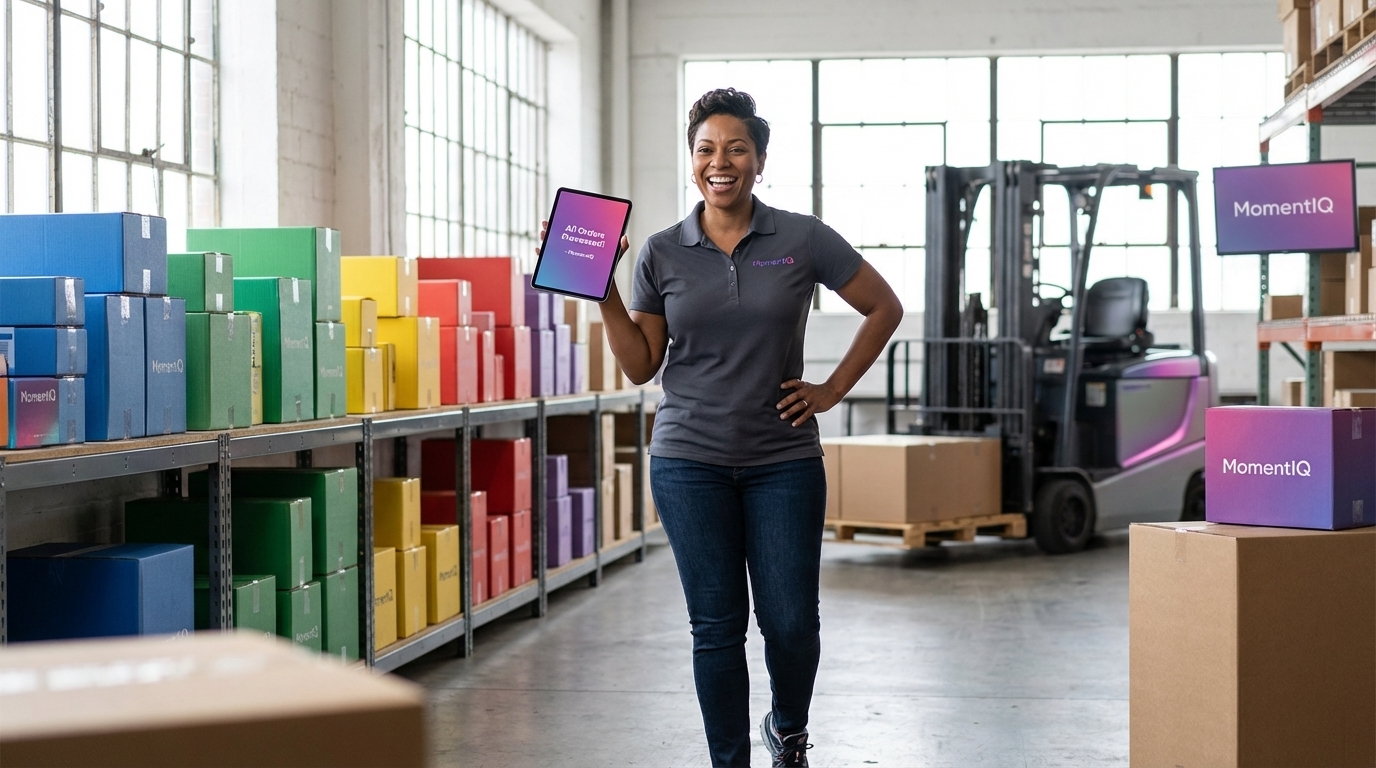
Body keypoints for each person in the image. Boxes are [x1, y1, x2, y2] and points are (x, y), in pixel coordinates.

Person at [544, 88, 902, 767]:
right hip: (689, 460)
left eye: (736, 148)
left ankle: (788, 729)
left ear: (759, 160)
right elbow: (641, 365)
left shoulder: (801, 238)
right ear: (692, 161)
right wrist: (603, 288)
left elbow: (883, 306)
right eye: (706, 149)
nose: (720, 161)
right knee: (716, 628)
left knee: (791, 624)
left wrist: (830, 390)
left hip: (783, 460)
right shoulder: (659, 252)